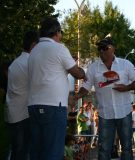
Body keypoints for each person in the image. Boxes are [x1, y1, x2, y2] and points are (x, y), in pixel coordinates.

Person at [70, 38, 135, 160]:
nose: (101, 51)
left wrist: (127, 87)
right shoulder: (93, 68)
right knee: (103, 150)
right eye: (99, 48)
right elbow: (86, 87)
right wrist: (76, 97)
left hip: (124, 113)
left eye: (105, 48)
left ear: (113, 49)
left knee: (127, 149)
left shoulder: (126, 64)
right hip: (105, 115)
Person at [27, 17, 85, 160]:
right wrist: (83, 71)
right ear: (57, 32)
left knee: (37, 151)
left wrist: (68, 61)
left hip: (33, 106)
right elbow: (77, 73)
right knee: (53, 152)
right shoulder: (59, 48)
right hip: (53, 107)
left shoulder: (34, 51)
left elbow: (49, 71)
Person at [6, 31, 39, 160]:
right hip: (23, 115)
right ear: (34, 45)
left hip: (12, 114)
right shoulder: (29, 63)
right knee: (24, 154)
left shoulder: (14, 63)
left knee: (16, 152)